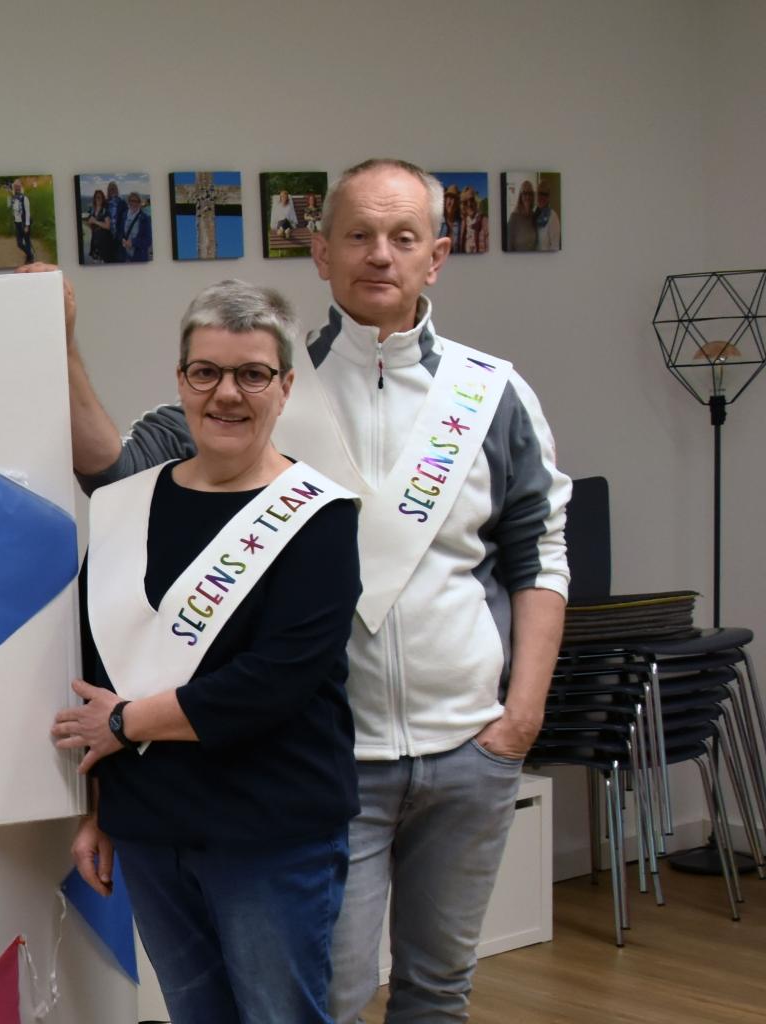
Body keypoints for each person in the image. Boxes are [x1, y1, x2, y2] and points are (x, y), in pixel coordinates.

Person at [35, 157, 570, 1022]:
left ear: (437, 256)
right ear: (320, 253)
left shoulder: (494, 394)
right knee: (331, 992)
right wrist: (56, 342)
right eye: (358, 235)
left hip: (469, 746)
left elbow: (537, 555)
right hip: (330, 764)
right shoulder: (270, 378)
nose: (380, 255)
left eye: (403, 238)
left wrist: (521, 716)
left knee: (439, 989)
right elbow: (115, 468)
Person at [53, 281, 361, 1022]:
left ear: (285, 387)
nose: (228, 394)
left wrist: (127, 725)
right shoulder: (127, 506)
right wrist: (97, 811)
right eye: (207, 372)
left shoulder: (319, 517)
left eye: (252, 373)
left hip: (270, 836)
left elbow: (274, 683)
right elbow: (102, 669)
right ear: (181, 382)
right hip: (152, 828)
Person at [84, 189, 117, 265]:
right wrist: (89, 223)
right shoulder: (92, 210)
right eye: (97, 197)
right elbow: (90, 225)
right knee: (95, 263)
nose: (98, 199)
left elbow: (107, 226)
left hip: (104, 242)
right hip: (95, 241)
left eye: (100, 197)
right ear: (94, 199)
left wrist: (95, 221)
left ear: (103, 199)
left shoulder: (105, 210)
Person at [505, 178, 539, 252]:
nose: (527, 196)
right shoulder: (513, 217)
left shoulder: (534, 216)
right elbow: (508, 247)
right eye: (525, 193)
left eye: (530, 193)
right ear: (520, 196)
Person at [121, 192, 153, 263]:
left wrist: (133, 242)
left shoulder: (145, 218)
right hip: (126, 256)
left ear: (139, 203)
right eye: (131, 201)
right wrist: (122, 239)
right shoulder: (124, 215)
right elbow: (121, 232)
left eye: (136, 201)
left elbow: (148, 240)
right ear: (128, 202)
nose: (134, 203)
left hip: (139, 257)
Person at [9, 179, 35, 262]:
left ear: (21, 187)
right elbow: (8, 206)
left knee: (27, 241)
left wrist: (27, 226)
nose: (17, 188)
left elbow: (27, 213)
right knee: (19, 243)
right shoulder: (13, 198)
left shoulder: (24, 198)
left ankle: (29, 257)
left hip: (24, 223)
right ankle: (30, 254)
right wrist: (9, 195)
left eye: (18, 186)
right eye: (15, 186)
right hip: (17, 223)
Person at [533, 180, 561, 251]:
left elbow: (555, 247)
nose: (541, 197)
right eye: (539, 193)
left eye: (545, 194)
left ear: (549, 197)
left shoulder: (553, 216)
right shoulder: (533, 214)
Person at [461, 188, 489, 254]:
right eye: (465, 202)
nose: (469, 204)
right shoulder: (462, 222)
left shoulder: (485, 221)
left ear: (476, 201)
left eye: (472, 200)